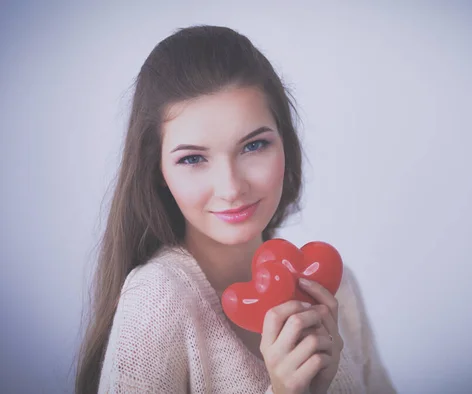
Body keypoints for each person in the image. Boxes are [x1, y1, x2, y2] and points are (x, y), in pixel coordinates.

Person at [75, 25, 395, 393]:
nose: (231, 188)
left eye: (254, 146)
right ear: (158, 170)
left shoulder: (336, 290)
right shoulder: (156, 303)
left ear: (285, 144)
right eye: (193, 158)